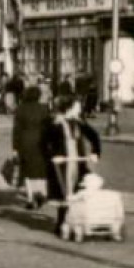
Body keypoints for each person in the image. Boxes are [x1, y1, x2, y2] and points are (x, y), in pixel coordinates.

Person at [42, 96, 102, 235]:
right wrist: (52, 157)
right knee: (64, 192)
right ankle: (61, 221)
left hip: (77, 162)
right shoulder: (55, 124)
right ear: (69, 108)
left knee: (78, 191)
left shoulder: (79, 123)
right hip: (62, 163)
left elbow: (94, 136)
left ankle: (75, 220)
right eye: (77, 107)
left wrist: (95, 153)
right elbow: (44, 143)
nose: (79, 109)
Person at [12, 86, 52, 209]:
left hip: (25, 141)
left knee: (27, 170)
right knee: (42, 169)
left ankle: (30, 198)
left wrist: (15, 148)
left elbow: (17, 130)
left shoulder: (20, 109)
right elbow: (49, 127)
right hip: (41, 141)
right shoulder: (44, 109)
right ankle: (42, 193)